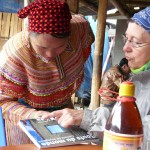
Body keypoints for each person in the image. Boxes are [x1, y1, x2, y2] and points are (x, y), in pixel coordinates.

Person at [42, 7, 150, 139]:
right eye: (126, 38)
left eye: (136, 42)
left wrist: (88, 119)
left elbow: (139, 129)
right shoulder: (140, 80)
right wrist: (86, 118)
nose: (125, 48)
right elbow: (125, 118)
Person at [0, 0, 94, 145]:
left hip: (63, 112)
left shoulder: (80, 29)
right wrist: (35, 115)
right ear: (29, 34)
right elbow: (3, 103)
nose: (50, 54)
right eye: (42, 47)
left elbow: (85, 49)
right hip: (25, 116)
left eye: (59, 47)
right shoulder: (14, 55)